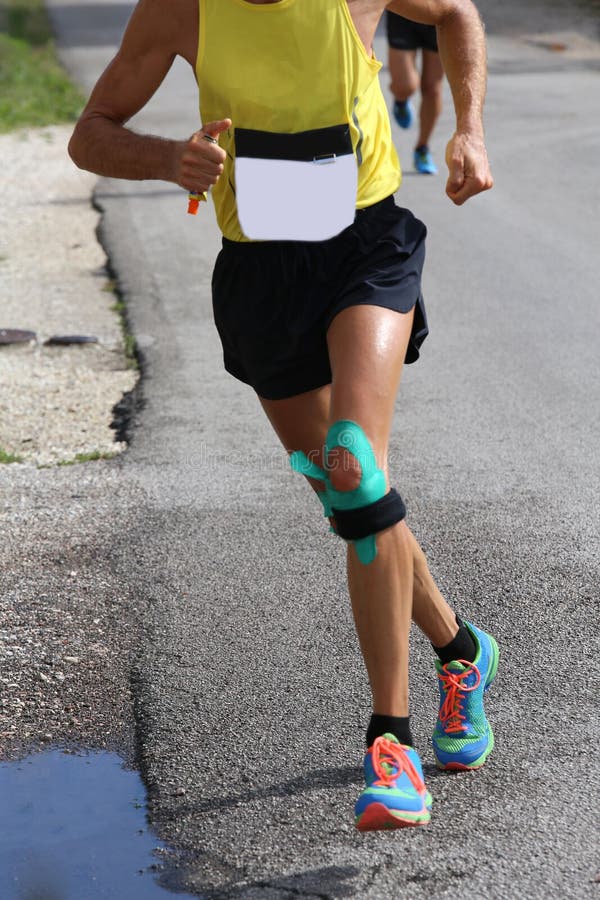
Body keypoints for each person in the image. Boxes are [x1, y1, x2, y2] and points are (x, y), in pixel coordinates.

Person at [69, 0, 496, 832]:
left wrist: (470, 130)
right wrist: (167, 158)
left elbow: (456, 13)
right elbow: (91, 131)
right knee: (350, 502)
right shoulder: (181, 9)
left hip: (367, 245)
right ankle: (462, 652)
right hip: (261, 274)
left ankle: (394, 749)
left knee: (354, 464)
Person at [387, 10, 444, 174]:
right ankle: (401, 99)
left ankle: (422, 148)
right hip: (402, 11)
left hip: (440, 12)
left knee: (433, 88)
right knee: (406, 86)